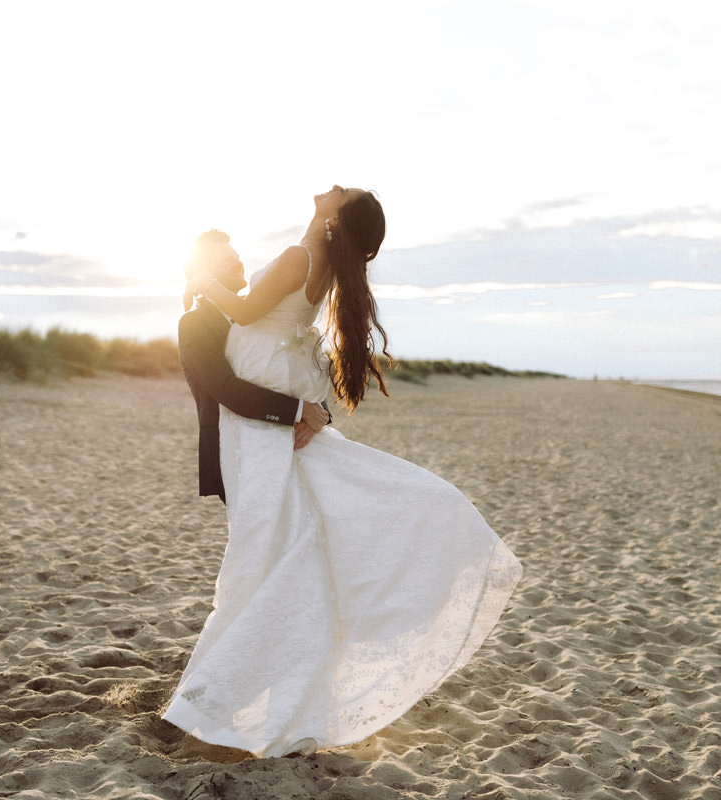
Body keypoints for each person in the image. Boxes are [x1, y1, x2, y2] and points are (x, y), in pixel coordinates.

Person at [163, 186, 522, 758]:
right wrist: (306, 402)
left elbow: (250, 316)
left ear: (333, 218)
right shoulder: (318, 265)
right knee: (279, 559)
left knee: (267, 564)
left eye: (341, 192)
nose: (331, 185)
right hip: (264, 426)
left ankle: (218, 705)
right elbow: (251, 360)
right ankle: (226, 701)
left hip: (268, 429)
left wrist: (204, 285)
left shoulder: (298, 259)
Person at [178, 229, 330, 504]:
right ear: (204, 271)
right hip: (236, 453)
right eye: (228, 259)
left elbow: (296, 364)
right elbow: (225, 389)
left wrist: (317, 416)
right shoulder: (195, 323)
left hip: (294, 443)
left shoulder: (263, 313)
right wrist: (298, 410)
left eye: (238, 256)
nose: (239, 263)